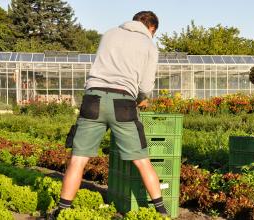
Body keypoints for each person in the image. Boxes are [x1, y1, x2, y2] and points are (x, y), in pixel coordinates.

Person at [50, 11, 167, 218]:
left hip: (93, 99)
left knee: (78, 159)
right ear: (151, 28)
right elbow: (146, 85)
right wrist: (141, 98)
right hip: (123, 103)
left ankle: (62, 210)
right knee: (141, 160)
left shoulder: (109, 33)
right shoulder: (148, 44)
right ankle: (162, 211)